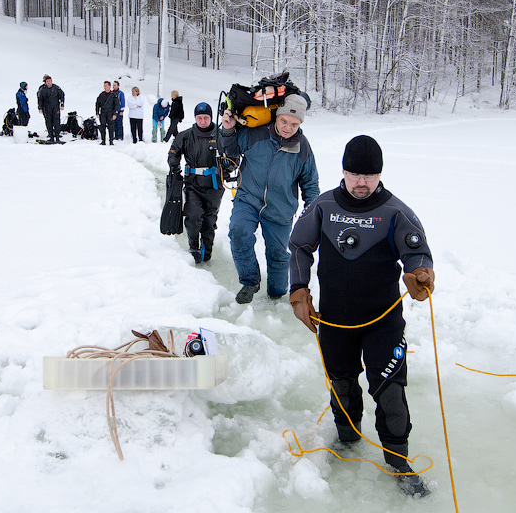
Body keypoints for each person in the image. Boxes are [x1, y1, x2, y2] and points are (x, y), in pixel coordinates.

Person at [287, 135, 434, 497]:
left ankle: (399, 461)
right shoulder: (322, 207)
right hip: (336, 320)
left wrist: (420, 274)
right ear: (343, 171)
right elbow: (300, 246)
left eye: (369, 175)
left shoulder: (396, 212)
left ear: (380, 174)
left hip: (383, 321)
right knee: (342, 386)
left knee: (391, 395)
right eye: (354, 174)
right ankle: (348, 440)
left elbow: (418, 254)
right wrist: (299, 289)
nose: (361, 182)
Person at [219, 94, 319, 304]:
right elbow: (230, 151)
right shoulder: (257, 134)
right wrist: (228, 130)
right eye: (284, 121)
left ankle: (276, 294)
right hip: (248, 198)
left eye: (294, 124)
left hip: (280, 208)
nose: (288, 127)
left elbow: (310, 181)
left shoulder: (303, 147)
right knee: (239, 233)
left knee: (278, 255)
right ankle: (250, 281)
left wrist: (311, 208)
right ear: (277, 117)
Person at [167, 102, 226, 264]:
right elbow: (173, 152)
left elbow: (232, 156)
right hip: (193, 185)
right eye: (199, 118)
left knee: (209, 221)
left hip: (214, 186)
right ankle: (193, 248)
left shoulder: (220, 136)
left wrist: (226, 170)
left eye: (206, 118)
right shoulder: (186, 135)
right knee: (193, 217)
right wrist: (174, 164)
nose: (202, 121)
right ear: (195, 118)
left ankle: (207, 252)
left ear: (211, 118)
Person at [37, 74, 65, 143]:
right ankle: (51, 136)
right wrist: (40, 108)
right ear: (45, 82)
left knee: (56, 122)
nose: (49, 82)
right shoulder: (42, 89)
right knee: (48, 122)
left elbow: (62, 95)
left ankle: (57, 137)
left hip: (55, 107)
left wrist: (62, 104)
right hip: (46, 108)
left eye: (50, 81)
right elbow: (40, 99)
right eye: (47, 81)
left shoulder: (56, 88)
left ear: (51, 81)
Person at [95, 80, 119, 145]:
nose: (105, 87)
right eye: (104, 86)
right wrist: (97, 112)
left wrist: (115, 114)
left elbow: (117, 104)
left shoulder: (113, 95)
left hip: (110, 113)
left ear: (109, 86)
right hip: (103, 112)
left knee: (111, 127)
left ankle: (111, 140)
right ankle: (103, 140)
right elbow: (97, 103)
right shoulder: (102, 94)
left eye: (106, 86)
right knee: (102, 127)